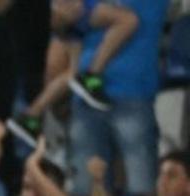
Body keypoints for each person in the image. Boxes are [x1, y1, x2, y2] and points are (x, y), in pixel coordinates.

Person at [66, 0, 168, 196]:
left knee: (142, 188)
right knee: (86, 190)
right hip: (86, 95)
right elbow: (66, 22)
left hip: (133, 92)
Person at [7, 0, 138, 147]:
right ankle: (92, 74)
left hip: (62, 17)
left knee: (74, 72)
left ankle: (31, 117)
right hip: (68, 8)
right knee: (128, 20)